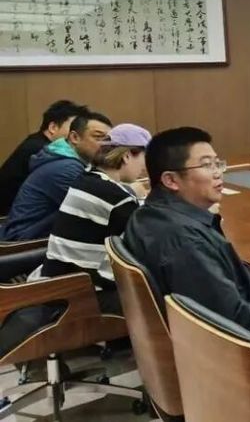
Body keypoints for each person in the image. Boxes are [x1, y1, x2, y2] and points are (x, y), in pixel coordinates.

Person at [124, 127, 250, 331]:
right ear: (170, 180)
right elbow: (235, 318)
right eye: (206, 165)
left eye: (217, 163)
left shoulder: (146, 214)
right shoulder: (185, 240)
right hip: (243, 337)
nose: (218, 172)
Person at [28, 124, 152, 315]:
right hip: (79, 294)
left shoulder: (87, 179)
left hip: (54, 281)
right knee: (156, 295)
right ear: (127, 155)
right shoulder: (117, 199)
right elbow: (145, 241)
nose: (145, 167)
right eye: (144, 158)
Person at [0, 111, 112, 242]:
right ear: (74, 137)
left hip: (32, 238)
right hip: (24, 244)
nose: (106, 146)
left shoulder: (66, 161)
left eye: (108, 140)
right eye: (98, 137)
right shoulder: (66, 168)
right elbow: (102, 211)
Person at [0, 100, 88, 215]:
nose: (77, 135)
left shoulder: (36, 142)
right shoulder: (44, 151)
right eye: (73, 128)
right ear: (53, 127)